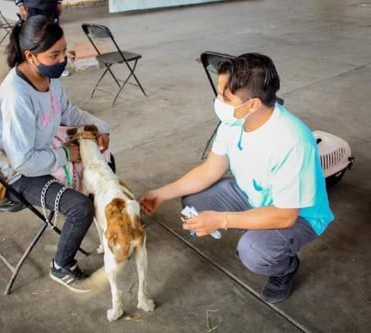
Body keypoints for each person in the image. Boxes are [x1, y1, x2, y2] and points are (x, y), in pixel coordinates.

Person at [139, 53, 334, 303]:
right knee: (194, 203)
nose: (218, 100)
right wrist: (161, 193)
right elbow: (210, 169)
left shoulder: (292, 141)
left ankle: (285, 268)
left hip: (296, 215)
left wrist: (222, 220)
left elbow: (286, 215)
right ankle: (252, 228)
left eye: (225, 96)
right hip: (252, 194)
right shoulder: (235, 121)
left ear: (252, 104)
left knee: (254, 251)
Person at [0, 15, 110, 292]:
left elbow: (67, 111)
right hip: (15, 173)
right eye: (55, 54)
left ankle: (109, 223)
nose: (63, 59)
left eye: (64, 51)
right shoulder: (17, 96)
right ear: (30, 56)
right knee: (80, 207)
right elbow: (24, 161)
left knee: (105, 159)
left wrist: (100, 126)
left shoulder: (47, 77)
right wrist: (68, 154)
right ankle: (61, 266)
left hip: (41, 150)